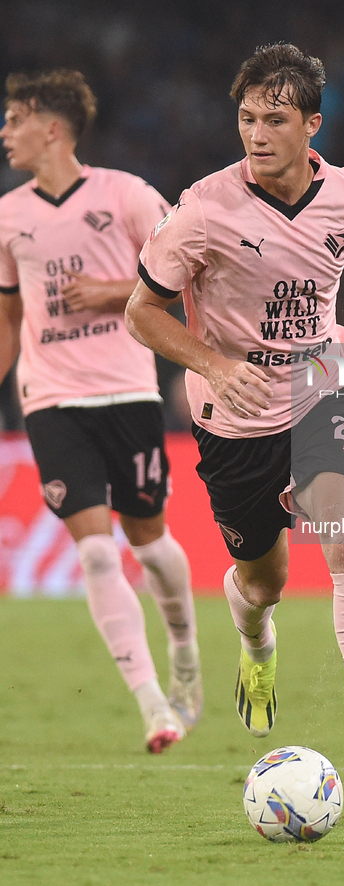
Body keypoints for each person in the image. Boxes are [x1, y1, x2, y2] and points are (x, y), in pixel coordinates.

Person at [126, 43, 344, 788]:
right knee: (263, 580)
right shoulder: (203, 210)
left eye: (274, 119)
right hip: (234, 414)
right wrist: (212, 363)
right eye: (245, 118)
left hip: (325, 380)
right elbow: (142, 312)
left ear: (312, 126)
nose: (256, 133)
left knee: (343, 540)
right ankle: (256, 641)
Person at [0, 69, 203, 753]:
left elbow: (185, 278)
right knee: (93, 551)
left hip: (128, 392)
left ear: (50, 128)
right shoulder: (8, 217)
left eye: (14, 119)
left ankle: (183, 649)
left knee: (151, 543)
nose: (5, 133)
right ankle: (153, 706)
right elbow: (7, 318)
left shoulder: (127, 196)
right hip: (53, 401)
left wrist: (114, 292)